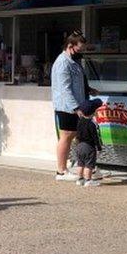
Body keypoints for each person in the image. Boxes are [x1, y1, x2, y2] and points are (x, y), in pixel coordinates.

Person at [51, 30, 88, 181]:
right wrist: (76, 108)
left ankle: (79, 166)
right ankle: (61, 171)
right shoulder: (62, 63)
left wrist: (88, 89)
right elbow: (64, 89)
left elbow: (75, 84)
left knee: (75, 136)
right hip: (66, 107)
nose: (81, 52)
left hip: (75, 104)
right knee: (66, 137)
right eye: (79, 49)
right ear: (70, 46)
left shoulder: (74, 62)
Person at [74, 99, 104, 187]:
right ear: (93, 113)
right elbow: (96, 136)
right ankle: (88, 180)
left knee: (80, 163)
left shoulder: (79, 122)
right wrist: (99, 147)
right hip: (89, 146)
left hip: (79, 145)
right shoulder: (92, 124)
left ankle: (80, 179)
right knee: (89, 165)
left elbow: (77, 134)